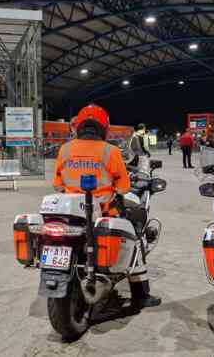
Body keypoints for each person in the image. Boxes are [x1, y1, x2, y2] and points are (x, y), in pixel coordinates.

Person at [53, 104, 161, 309]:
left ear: (79, 126)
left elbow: (57, 184)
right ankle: (140, 295)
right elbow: (123, 187)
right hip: (103, 212)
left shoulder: (65, 149)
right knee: (136, 237)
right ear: (103, 127)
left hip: (71, 214)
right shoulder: (109, 151)